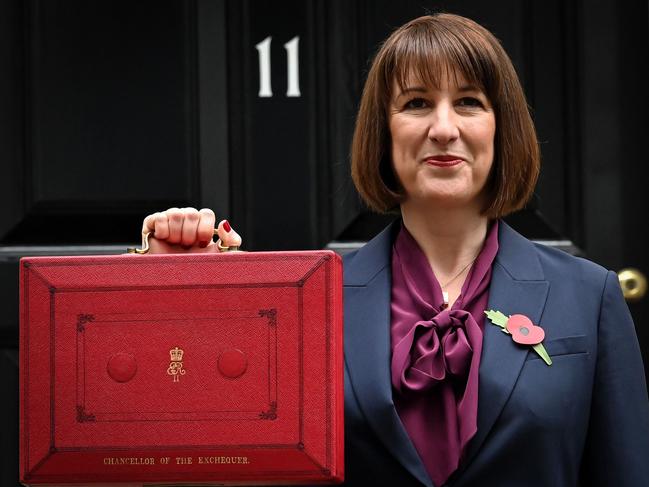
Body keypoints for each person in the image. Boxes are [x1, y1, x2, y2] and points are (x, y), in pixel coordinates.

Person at [142, 13, 649, 487]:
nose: (444, 128)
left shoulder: (589, 294)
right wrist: (181, 299)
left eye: (469, 102)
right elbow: (224, 458)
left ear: (502, 127)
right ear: (383, 133)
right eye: (416, 103)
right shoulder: (308, 302)